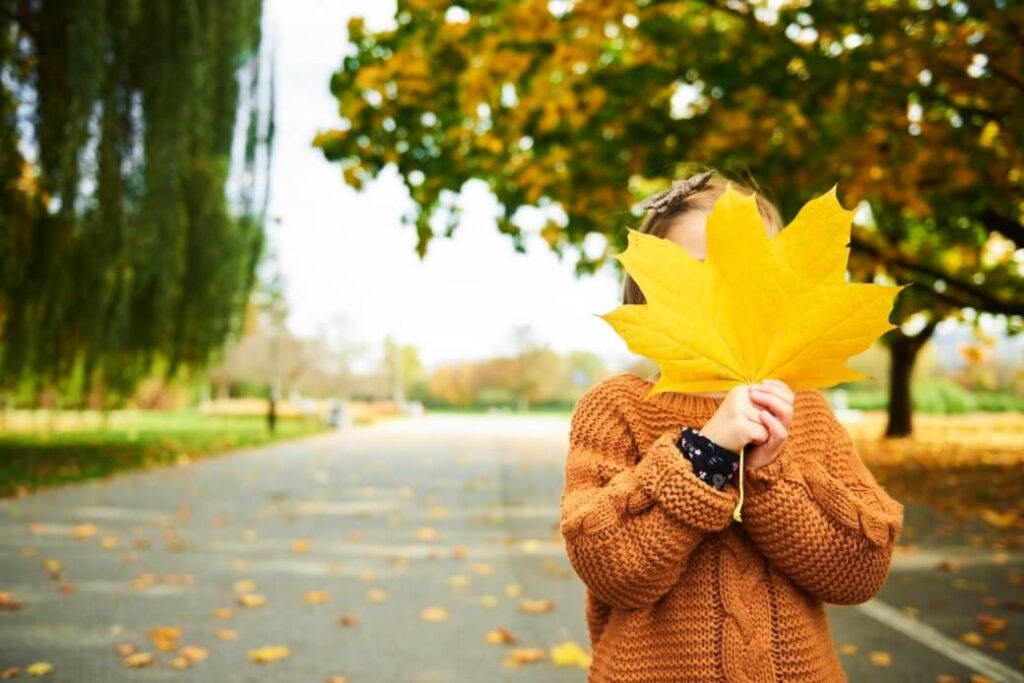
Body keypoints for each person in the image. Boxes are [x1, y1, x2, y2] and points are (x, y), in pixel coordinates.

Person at [559, 169, 905, 682]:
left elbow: (861, 567)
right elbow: (610, 567)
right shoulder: (618, 407)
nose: (722, 293)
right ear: (649, 293)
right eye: (696, 274)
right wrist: (706, 457)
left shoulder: (802, 410)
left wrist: (772, 475)